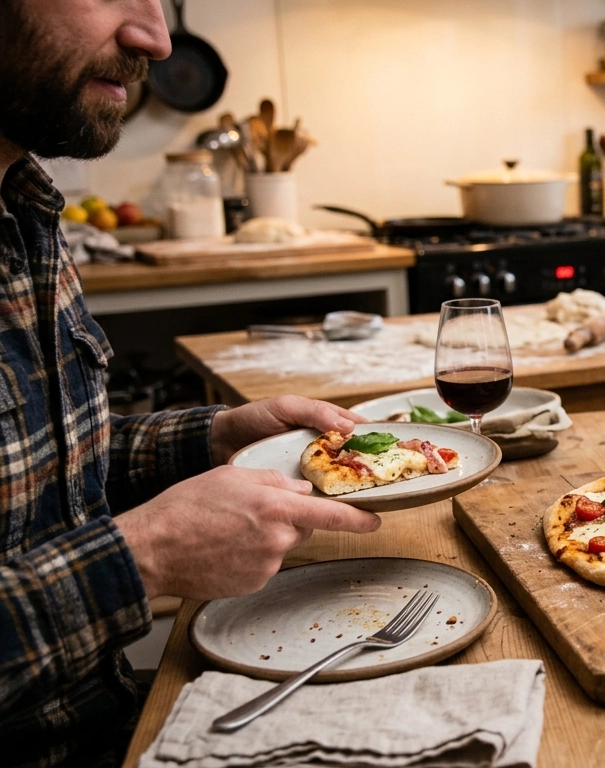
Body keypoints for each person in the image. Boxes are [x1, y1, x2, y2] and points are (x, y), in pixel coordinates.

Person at [0, 2, 384, 764]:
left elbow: (38, 479)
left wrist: (214, 439)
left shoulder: (25, 204)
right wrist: (143, 556)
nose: (155, 38)